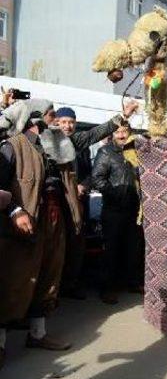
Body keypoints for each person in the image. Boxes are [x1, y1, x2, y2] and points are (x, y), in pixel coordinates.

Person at [0, 100, 72, 369]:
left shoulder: (54, 145)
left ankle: (37, 335)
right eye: (52, 115)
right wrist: (15, 211)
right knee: (14, 282)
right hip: (20, 225)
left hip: (51, 221)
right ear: (36, 119)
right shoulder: (12, 146)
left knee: (47, 276)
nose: (56, 120)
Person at [55, 103, 138, 299]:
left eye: (71, 122)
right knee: (55, 247)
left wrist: (82, 185)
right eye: (63, 122)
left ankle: (70, 285)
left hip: (79, 202)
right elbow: (99, 176)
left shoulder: (78, 144)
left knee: (76, 244)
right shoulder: (47, 142)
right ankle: (52, 292)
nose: (67, 126)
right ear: (55, 122)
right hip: (55, 202)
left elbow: (94, 138)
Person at [91, 122, 143, 304]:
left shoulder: (137, 152)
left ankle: (133, 282)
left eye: (124, 132)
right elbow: (97, 178)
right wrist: (115, 194)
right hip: (113, 209)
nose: (121, 135)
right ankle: (108, 288)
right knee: (111, 249)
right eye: (118, 132)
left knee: (133, 247)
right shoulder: (106, 152)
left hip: (134, 209)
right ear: (112, 134)